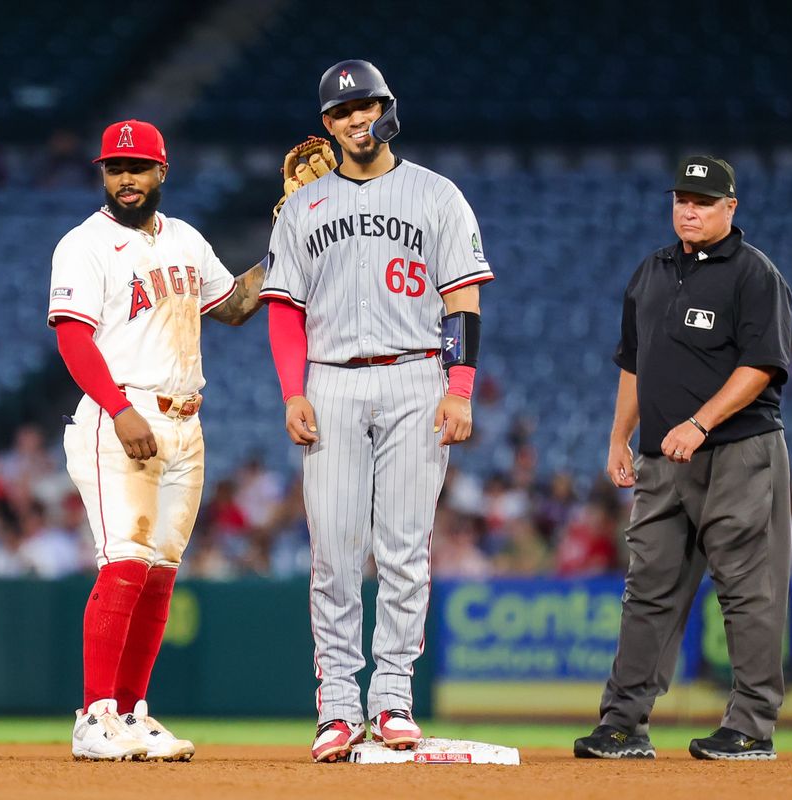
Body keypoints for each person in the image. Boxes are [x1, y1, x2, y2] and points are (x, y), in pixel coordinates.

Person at [262, 59, 493, 762]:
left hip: (415, 376)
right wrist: (292, 390)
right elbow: (282, 310)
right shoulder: (304, 208)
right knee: (333, 553)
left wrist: (461, 388)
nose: (356, 119)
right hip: (330, 381)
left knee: (403, 551)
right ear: (325, 126)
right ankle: (336, 707)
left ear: (388, 108)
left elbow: (463, 300)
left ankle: (391, 698)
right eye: (340, 112)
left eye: (366, 105)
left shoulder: (437, 195)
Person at [48, 119, 265, 762]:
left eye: (138, 167)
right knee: (125, 560)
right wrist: (118, 408)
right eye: (116, 168)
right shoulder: (84, 245)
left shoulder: (187, 241)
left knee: (161, 572)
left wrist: (290, 237)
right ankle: (95, 715)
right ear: (103, 174)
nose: (126, 178)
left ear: (161, 171)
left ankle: (133, 712)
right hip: (123, 415)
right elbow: (72, 337)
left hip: (185, 420)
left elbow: (233, 306)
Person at [573, 155, 792, 762]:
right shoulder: (651, 271)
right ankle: (623, 724)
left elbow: (763, 366)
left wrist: (700, 422)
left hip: (737, 453)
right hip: (661, 460)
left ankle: (750, 725)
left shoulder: (754, 274)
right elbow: (634, 364)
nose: (688, 210)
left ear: (731, 208)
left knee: (747, 591)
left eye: (702, 201)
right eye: (681, 199)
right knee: (647, 588)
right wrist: (619, 438)